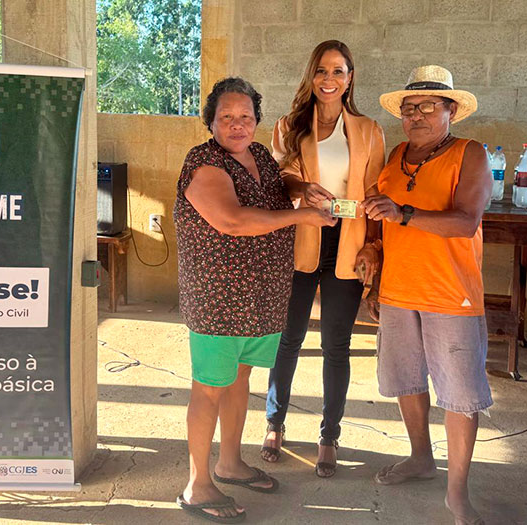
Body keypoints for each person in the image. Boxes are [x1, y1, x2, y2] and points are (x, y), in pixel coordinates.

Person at [173, 77, 335, 523]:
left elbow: (279, 184)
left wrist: (302, 190)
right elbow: (232, 220)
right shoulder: (203, 163)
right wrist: (303, 214)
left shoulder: (260, 155)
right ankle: (197, 483)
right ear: (211, 122)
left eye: (245, 116)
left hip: (260, 298)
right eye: (226, 117)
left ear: (257, 120)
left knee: (240, 380)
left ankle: (229, 463)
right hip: (220, 299)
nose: (237, 124)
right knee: (209, 387)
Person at [363, 65, 492, 525]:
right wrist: (373, 251)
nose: (415, 115)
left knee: (460, 393)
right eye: (409, 108)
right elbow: (383, 220)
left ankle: (457, 493)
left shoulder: (469, 154)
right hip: (399, 290)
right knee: (407, 379)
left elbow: (465, 221)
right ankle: (421, 458)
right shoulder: (395, 156)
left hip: (450, 293)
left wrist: (403, 214)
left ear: (451, 110)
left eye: (427, 107)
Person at [262, 40, 385, 478]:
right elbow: (278, 181)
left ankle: (329, 435)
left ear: (350, 78)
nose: (329, 80)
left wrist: (374, 248)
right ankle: (274, 423)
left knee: (336, 345)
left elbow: (374, 194)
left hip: (348, 246)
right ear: (310, 76)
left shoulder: (370, 130)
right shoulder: (289, 125)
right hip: (300, 241)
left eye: (338, 71)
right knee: (288, 339)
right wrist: (300, 191)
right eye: (321, 71)